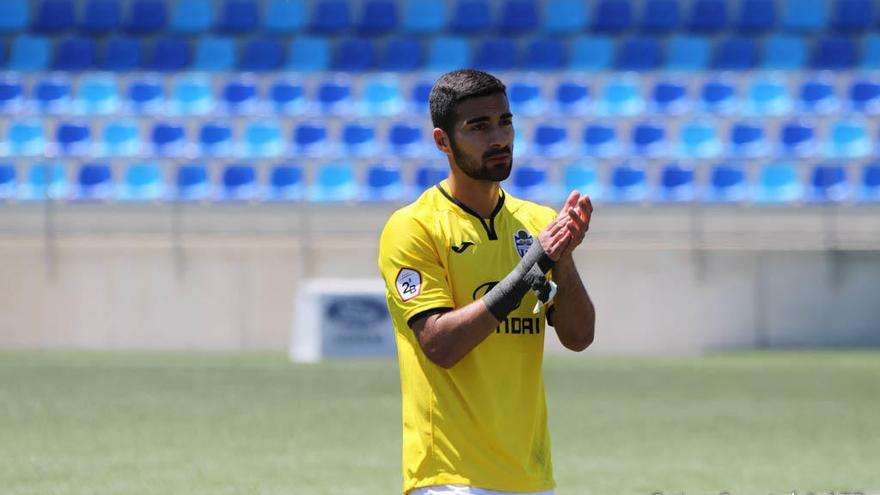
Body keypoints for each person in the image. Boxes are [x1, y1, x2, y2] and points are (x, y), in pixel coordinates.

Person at [378, 69, 596, 495]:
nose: (499, 137)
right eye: (478, 126)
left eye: (505, 121)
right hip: (450, 478)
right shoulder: (413, 228)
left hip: (531, 477)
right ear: (443, 141)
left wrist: (562, 263)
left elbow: (579, 336)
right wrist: (535, 264)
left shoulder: (536, 223)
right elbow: (441, 345)